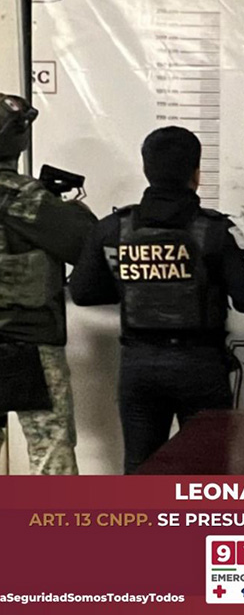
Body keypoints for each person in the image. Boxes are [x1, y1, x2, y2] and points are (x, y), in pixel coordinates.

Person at [70, 126, 244, 473]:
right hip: (200, 367)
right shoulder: (217, 230)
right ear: (196, 173)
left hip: (139, 366)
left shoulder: (113, 227)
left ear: (147, 169)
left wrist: (136, 282)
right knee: (207, 470)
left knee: (141, 469)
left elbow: (83, 292)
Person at [0, 93, 96, 474]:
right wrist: (71, 208)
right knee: (51, 456)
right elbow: (85, 243)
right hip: (29, 343)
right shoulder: (24, 197)